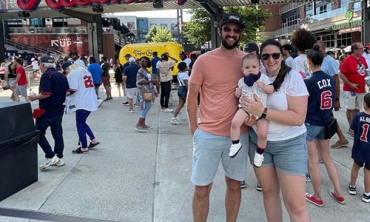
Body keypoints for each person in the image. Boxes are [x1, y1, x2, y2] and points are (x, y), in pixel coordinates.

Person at [187, 13, 250, 222]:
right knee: (202, 188)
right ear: (220, 31)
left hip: (239, 136)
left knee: (234, 185)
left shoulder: (247, 62)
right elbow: (192, 96)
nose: (232, 34)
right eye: (228, 29)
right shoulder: (204, 61)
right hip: (208, 135)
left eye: (236, 30)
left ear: (240, 33)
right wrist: (194, 129)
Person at [244, 38, 310, 221]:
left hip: (290, 145)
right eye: (266, 56)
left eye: (275, 55)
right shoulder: (256, 75)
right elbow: (247, 102)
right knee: (269, 194)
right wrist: (250, 119)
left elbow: (298, 118)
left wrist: (263, 112)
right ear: (260, 57)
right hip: (259, 144)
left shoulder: (293, 77)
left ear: (283, 55)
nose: (271, 60)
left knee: (296, 205)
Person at [303, 44, 345, 207]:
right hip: (327, 122)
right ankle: (339, 193)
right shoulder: (329, 79)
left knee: (313, 161)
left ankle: (317, 196)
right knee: (327, 158)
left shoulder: (309, 81)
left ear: (309, 62)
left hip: (312, 123)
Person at [230, 54, 274, 166]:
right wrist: (237, 93)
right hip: (245, 108)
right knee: (235, 123)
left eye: (254, 67)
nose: (251, 70)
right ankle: (235, 143)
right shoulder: (241, 81)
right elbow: (237, 95)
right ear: (242, 69)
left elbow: (271, 89)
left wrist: (264, 87)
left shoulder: (263, 78)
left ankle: (259, 153)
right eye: (247, 67)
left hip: (261, 111)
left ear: (259, 68)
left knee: (263, 134)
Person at [28, 55, 69, 170]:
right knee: (57, 133)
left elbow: (46, 93)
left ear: (43, 65)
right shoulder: (61, 76)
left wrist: (34, 97)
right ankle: (59, 156)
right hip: (59, 108)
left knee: (38, 133)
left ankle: (50, 155)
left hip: (46, 110)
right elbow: (67, 92)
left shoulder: (46, 76)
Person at [316, 41, 349, 149]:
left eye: (319, 48)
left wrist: (337, 99)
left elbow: (336, 79)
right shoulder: (316, 59)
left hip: (327, 95)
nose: (317, 50)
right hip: (318, 95)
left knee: (328, 117)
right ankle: (342, 138)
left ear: (324, 49)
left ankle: (341, 138)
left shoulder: (330, 61)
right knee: (328, 117)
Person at [63, 62, 100, 154]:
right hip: (90, 99)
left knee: (79, 124)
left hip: (82, 101)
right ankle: (93, 140)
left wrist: (60, 95)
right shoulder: (85, 71)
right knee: (82, 122)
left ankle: (84, 146)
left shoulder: (74, 73)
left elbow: (72, 90)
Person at [339, 42, 368, 134]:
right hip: (350, 89)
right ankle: (351, 127)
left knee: (357, 108)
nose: (362, 50)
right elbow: (341, 74)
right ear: (354, 50)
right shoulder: (347, 60)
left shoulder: (363, 59)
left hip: (361, 88)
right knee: (350, 109)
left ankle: (356, 126)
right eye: (360, 48)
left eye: (362, 48)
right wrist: (350, 83)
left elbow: (365, 71)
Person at [348, 93, 370, 202]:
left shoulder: (358, 116)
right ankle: (366, 193)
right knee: (368, 172)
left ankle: (352, 186)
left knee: (355, 167)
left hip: (359, 146)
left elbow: (352, 130)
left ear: (364, 104)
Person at [135, 56, 159, 132]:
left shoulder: (146, 70)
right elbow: (139, 82)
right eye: (142, 61)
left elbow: (150, 81)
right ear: (140, 62)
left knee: (147, 107)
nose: (144, 62)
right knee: (145, 108)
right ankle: (139, 124)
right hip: (143, 91)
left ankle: (143, 124)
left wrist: (154, 90)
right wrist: (151, 81)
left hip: (149, 91)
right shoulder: (140, 71)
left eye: (145, 61)